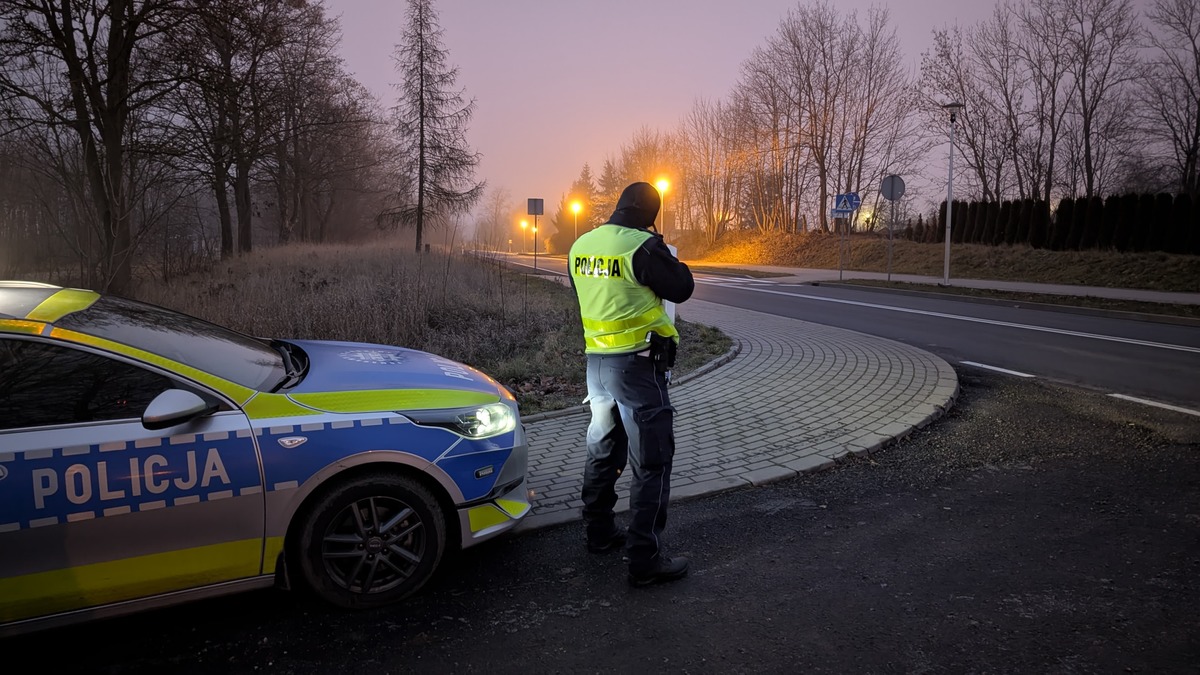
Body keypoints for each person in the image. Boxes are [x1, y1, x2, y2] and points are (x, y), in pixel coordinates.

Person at [567, 181, 695, 587]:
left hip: (597, 365)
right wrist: (659, 245)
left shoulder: (581, 245)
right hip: (639, 369)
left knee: (603, 451)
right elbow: (682, 287)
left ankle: (599, 534)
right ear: (649, 215)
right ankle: (645, 559)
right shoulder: (641, 247)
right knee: (652, 461)